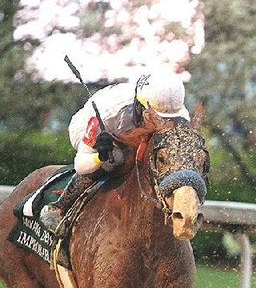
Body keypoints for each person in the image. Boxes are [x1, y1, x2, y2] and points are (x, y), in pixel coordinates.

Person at [39, 69, 190, 232]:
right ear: (140, 105)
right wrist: (100, 157)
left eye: (166, 119)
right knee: (117, 159)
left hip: (128, 131)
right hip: (89, 129)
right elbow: (80, 164)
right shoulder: (109, 113)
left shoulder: (175, 111)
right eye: (155, 116)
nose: (161, 123)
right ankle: (59, 208)